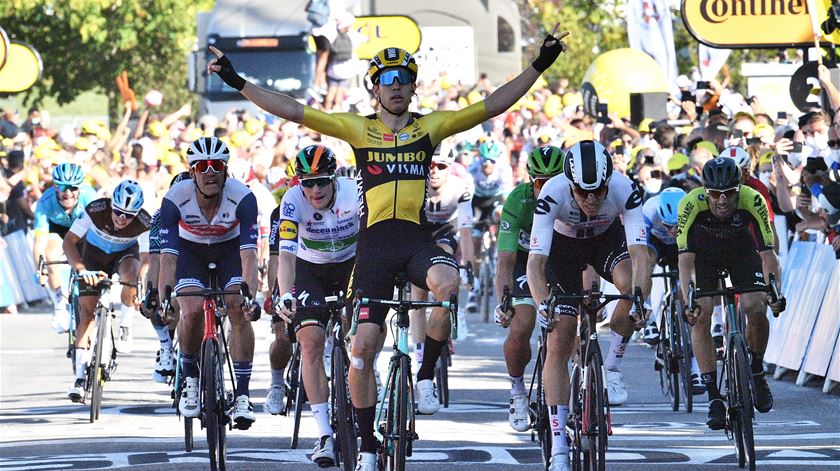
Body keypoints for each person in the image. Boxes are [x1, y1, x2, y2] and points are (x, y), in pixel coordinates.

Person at [207, 26, 569, 469]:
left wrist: (539, 64)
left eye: (404, 79)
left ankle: (423, 377)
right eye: (387, 80)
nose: (396, 86)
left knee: (447, 284)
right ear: (375, 88)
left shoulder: (430, 127)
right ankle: (365, 445)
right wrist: (238, 81)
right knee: (360, 353)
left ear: (414, 86)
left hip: (417, 241)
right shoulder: (358, 130)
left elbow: (492, 104)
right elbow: (292, 110)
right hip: (374, 249)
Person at [526, 140, 651, 471]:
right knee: (561, 335)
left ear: (610, 181)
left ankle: (611, 368)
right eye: (583, 192)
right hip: (562, 252)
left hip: (604, 242)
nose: (592, 199)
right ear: (570, 184)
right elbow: (535, 266)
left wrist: (639, 296)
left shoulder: (625, 188)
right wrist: (543, 304)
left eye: (599, 191)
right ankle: (559, 447)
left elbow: (640, 254)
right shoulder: (552, 193)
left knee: (630, 287)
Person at [158, 137, 262, 430]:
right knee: (190, 309)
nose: (209, 172)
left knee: (237, 308)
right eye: (201, 166)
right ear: (191, 172)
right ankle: (190, 377)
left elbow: (250, 255)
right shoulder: (174, 199)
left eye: (216, 166)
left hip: (229, 250)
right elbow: (168, 258)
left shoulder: (243, 198)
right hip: (191, 252)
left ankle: (242, 395)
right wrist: (166, 299)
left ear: (226, 171)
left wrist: (250, 297)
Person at [267, 144, 359, 467]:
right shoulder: (292, 202)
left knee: (362, 336)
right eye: (308, 183)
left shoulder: (354, 192)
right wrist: (285, 293)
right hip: (310, 270)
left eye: (321, 181)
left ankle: (364, 380)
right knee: (310, 345)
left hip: (351, 265)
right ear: (299, 183)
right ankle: (324, 436)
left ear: (334, 177)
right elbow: (287, 254)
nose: (315, 190)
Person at [677, 157, 785, 431]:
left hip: (742, 254)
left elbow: (768, 254)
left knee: (755, 306)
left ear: (739, 189)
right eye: (715, 194)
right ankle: (714, 395)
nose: (722, 201)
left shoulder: (754, 199)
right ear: (706, 191)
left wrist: (774, 291)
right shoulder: (690, 204)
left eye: (729, 194)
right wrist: (687, 297)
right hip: (704, 257)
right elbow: (685, 261)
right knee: (700, 314)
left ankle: (757, 370)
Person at [493, 145, 564, 432]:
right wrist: (504, 303)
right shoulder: (518, 200)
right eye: (539, 182)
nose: (546, 188)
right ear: (530, 181)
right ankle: (518, 390)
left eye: (553, 180)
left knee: (572, 326)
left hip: (559, 259)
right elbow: (505, 261)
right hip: (525, 261)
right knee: (522, 325)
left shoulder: (574, 198)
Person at [63, 180, 151, 401]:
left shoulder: (144, 221)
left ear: (137, 213)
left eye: (128, 215)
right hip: (93, 257)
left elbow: (147, 257)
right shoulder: (95, 210)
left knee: (132, 272)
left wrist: (140, 285)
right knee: (87, 315)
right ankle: (80, 378)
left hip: (123, 256)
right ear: (112, 206)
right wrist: (81, 269)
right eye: (119, 212)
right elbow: (69, 242)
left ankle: (125, 325)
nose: (122, 218)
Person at [410, 146, 475, 373]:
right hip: (420, 231)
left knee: (445, 255)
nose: (435, 171)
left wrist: (467, 265)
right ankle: (420, 355)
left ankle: (452, 304)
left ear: (450, 168)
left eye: (441, 166)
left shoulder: (460, 188)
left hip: (447, 229)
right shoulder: (414, 185)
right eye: (430, 166)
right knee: (417, 295)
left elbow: (466, 232)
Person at [639, 187, 706, 393]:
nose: (672, 230)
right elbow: (638, 248)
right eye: (668, 226)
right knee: (645, 259)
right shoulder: (649, 210)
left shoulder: (694, 210)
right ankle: (646, 312)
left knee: (690, 297)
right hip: (656, 245)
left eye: (676, 225)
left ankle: (696, 371)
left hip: (684, 245)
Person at [33, 163, 97, 333]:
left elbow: (99, 233)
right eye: (62, 187)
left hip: (83, 231)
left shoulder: (90, 197)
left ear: (79, 187)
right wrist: (39, 269)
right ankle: (60, 306)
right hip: (58, 231)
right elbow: (39, 241)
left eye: (72, 187)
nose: (67, 192)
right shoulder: (45, 202)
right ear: (55, 187)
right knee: (49, 255)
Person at [141, 171, 190, 383]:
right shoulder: (162, 215)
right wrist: (151, 292)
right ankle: (166, 345)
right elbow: (155, 260)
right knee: (162, 297)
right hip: (172, 261)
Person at [466, 138, 513, 312]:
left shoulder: (504, 170)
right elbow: (467, 197)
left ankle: (498, 246)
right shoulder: (472, 169)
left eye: (491, 161)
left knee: (501, 214)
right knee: (475, 243)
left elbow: (507, 198)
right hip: (477, 201)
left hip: (496, 199)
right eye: (484, 160)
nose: (487, 164)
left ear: (497, 160)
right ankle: (475, 286)